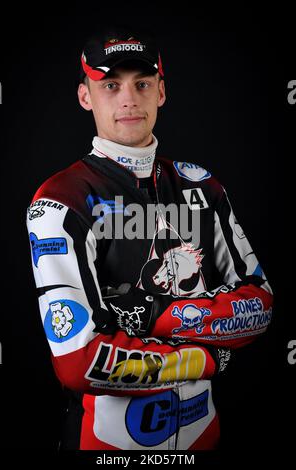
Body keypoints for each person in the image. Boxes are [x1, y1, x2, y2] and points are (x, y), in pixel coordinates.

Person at [26, 29, 273, 450]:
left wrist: (152, 314)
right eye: (110, 85)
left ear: (161, 91)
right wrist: (207, 357)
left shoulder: (202, 185)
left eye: (142, 84)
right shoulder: (60, 198)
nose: (128, 99)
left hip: (204, 438)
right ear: (86, 96)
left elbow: (261, 306)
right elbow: (78, 362)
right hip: (106, 446)